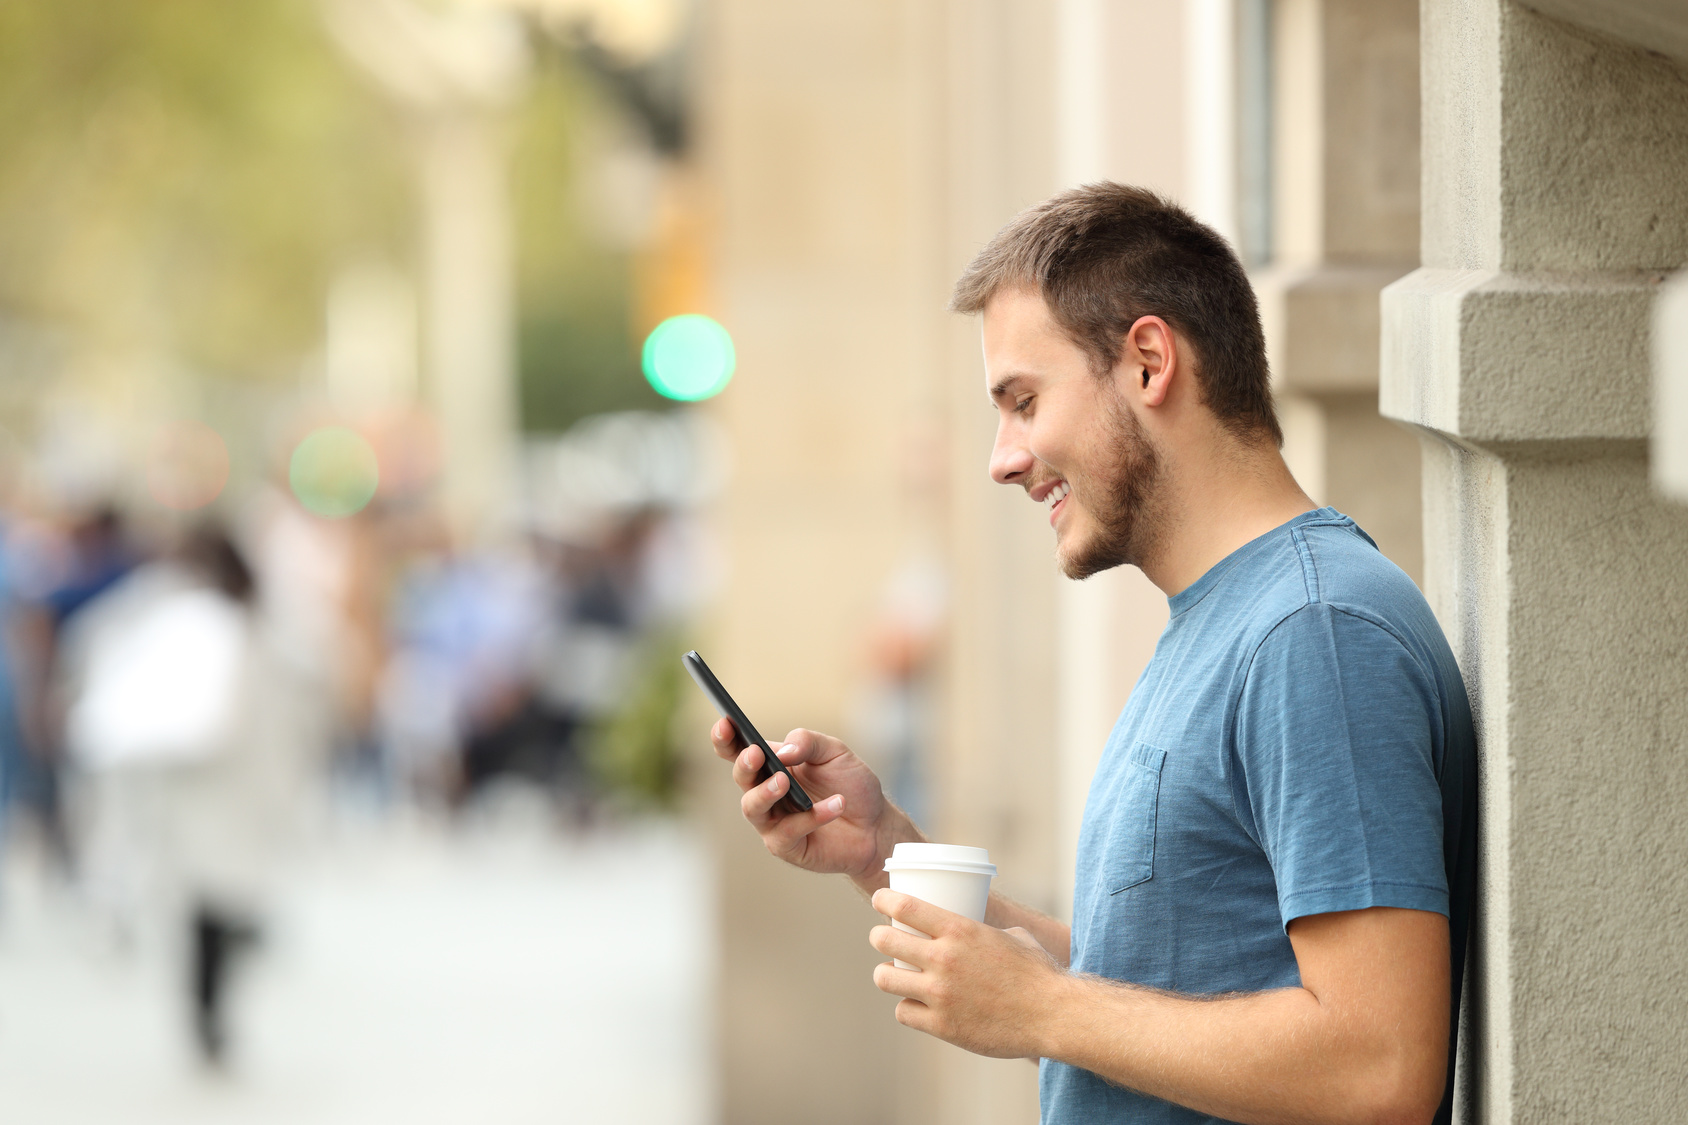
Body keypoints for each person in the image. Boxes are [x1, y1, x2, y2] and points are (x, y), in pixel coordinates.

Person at [711, 183, 1476, 1125]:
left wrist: (1042, 1009)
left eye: (1024, 401)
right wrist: (888, 852)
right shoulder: (1232, 619)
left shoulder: (1312, 634)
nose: (1002, 457)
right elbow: (1167, 987)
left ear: (1149, 361)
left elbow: (1377, 1065)